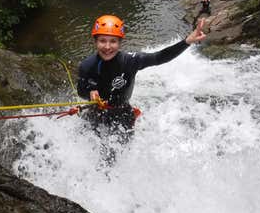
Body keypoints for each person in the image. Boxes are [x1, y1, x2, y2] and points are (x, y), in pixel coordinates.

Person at [77, 14, 206, 141]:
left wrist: (186, 42)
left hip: (123, 114)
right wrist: (90, 92)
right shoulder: (87, 65)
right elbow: (80, 90)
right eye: (102, 41)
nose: (107, 47)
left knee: (119, 154)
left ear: (120, 42)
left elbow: (159, 57)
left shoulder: (130, 61)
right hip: (96, 114)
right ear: (95, 41)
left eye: (113, 41)